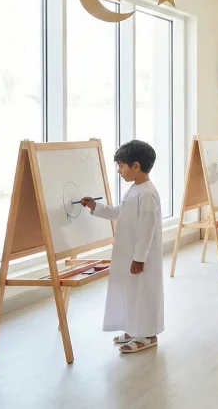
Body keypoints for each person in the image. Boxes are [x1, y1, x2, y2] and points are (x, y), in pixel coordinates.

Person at [81, 140, 163, 354]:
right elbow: (120, 213)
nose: (119, 171)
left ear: (136, 166)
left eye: (121, 165)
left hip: (140, 256)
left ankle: (148, 334)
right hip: (129, 252)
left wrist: (139, 258)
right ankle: (135, 328)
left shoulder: (147, 193)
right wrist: (95, 207)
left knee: (143, 292)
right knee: (132, 291)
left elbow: (147, 229)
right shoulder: (134, 189)